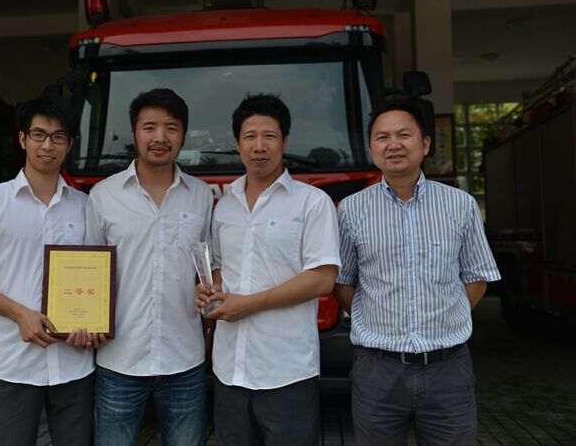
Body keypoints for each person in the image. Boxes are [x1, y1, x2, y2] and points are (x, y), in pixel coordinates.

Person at [333, 101, 501, 445]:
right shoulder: (350, 210)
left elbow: (477, 277)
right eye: (382, 137)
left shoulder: (460, 204)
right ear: (371, 149)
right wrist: (373, 315)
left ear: (425, 144)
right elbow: (342, 281)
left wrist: (445, 315)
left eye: (404, 135)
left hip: (448, 368)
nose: (393, 144)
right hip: (377, 369)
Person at [0, 95, 100, 446]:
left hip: (73, 360)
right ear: (22, 139)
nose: (47, 145)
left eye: (58, 137)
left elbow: (96, 276)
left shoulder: (86, 206)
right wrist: (20, 315)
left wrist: (91, 324)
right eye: (39, 134)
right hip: (12, 360)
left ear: (70, 144)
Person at [196, 94, 340, 446]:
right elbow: (220, 270)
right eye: (250, 136)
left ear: (285, 141)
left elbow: (322, 278)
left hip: (286, 371)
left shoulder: (312, 202)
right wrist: (209, 290)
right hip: (230, 369)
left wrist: (248, 304)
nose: (259, 146)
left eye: (269, 136)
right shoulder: (224, 206)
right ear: (238, 144)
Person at [85, 88, 213, 446]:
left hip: (184, 358)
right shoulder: (103, 195)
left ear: (183, 134)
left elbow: (208, 268)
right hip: (119, 359)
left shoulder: (201, 195)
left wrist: (208, 328)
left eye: (171, 128)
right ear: (134, 133)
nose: (160, 137)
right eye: (150, 127)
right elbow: (87, 268)